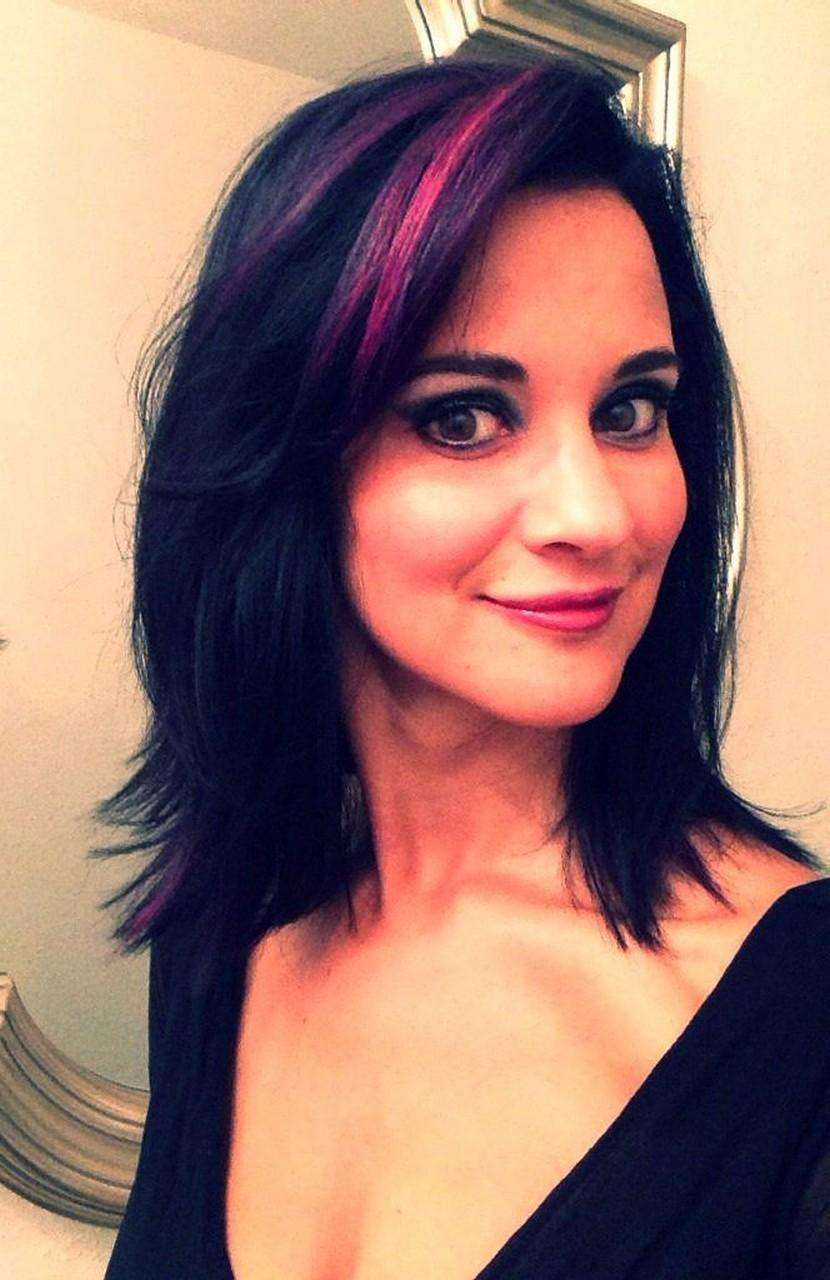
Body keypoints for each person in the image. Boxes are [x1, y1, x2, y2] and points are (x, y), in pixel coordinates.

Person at [97, 54, 829, 1280]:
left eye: (630, 409)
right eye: (461, 416)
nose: (594, 514)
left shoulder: (801, 1028)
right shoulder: (224, 938)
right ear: (279, 464)